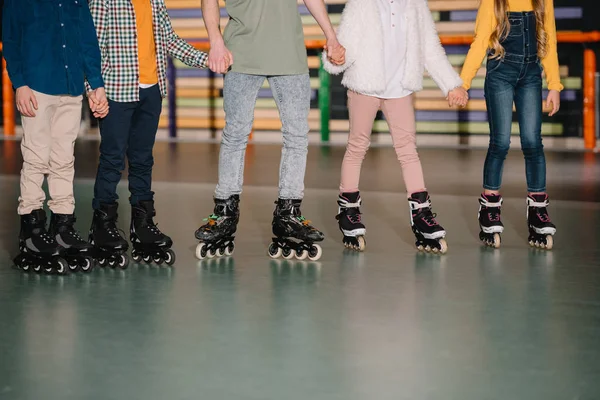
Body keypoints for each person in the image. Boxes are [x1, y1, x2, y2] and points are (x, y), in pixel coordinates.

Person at [195, 0, 345, 261]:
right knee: (236, 134)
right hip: (240, 53)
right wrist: (215, 40)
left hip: (289, 53)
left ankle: (289, 211)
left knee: (297, 135)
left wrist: (331, 35)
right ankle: (225, 210)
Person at [322, 0, 468, 254]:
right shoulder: (362, 4)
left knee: (408, 150)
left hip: (399, 88)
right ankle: (348, 210)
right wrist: (335, 58)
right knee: (357, 145)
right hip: (365, 85)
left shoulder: (414, 4)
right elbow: (344, 45)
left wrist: (450, 83)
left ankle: (422, 214)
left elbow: (429, 49)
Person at [87, 0, 209, 268]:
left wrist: (206, 59)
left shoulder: (155, 1)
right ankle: (102, 226)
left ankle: (142, 224)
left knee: (143, 160)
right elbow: (91, 44)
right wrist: (92, 87)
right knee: (112, 159)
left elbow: (169, 40)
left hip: (151, 91)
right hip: (117, 90)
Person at [3, 0, 109, 274]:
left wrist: (95, 83)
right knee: (37, 157)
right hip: (37, 86)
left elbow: (87, 39)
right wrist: (20, 84)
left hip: (71, 86)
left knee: (64, 159)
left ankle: (62, 224)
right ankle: (31, 228)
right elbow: (11, 37)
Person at [452, 0, 561, 249]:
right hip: (501, 71)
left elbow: (550, 39)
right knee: (500, 142)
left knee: (533, 142)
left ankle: (538, 212)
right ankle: (489, 207)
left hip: (531, 74)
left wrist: (554, 85)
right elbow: (480, 41)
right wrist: (463, 83)